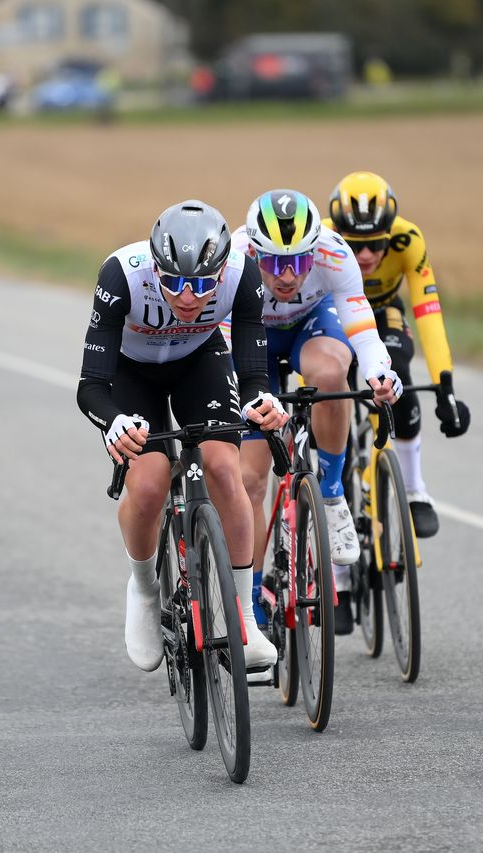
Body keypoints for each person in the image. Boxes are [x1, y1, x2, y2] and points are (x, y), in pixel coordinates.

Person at [77, 200, 288, 674]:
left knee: (224, 469)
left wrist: (260, 402)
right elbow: (90, 386)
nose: (188, 298)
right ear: (155, 267)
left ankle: (244, 618)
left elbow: (253, 372)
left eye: (200, 285)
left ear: (220, 273)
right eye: (173, 283)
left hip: (200, 361)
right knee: (149, 484)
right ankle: (144, 587)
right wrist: (114, 422)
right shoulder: (120, 276)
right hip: (132, 375)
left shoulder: (242, 271)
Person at [232, 189, 400, 638]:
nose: (287, 277)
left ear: (315, 250)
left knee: (329, 373)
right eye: (273, 263)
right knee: (249, 479)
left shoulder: (334, 251)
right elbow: (219, 340)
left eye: (299, 263)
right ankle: (248, 604)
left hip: (312, 324)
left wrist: (380, 372)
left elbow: (361, 326)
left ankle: (330, 493)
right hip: (253, 341)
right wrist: (253, 402)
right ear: (254, 250)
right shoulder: (233, 258)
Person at [324, 171, 471, 546]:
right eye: (354, 246)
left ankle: (414, 487)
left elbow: (428, 311)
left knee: (398, 370)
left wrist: (445, 384)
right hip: (333, 313)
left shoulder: (409, 239)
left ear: (390, 234)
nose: (366, 256)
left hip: (384, 311)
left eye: (375, 244)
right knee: (330, 380)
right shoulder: (320, 239)